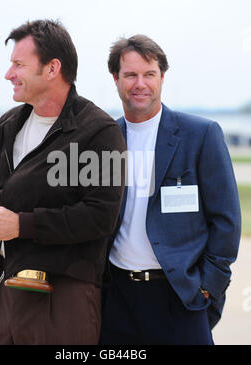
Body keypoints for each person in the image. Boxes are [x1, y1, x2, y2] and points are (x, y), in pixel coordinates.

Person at [0, 19, 126, 345]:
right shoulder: (9, 123)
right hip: (0, 290)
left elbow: (99, 217)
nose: (9, 74)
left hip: (63, 296)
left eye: (18, 65)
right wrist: (11, 202)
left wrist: (21, 224)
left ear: (52, 69)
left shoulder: (100, 132)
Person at [100, 34, 241, 345]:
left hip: (179, 296)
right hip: (117, 300)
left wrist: (208, 286)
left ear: (162, 77)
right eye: (131, 75)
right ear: (116, 78)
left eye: (149, 74)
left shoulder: (200, 135)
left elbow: (226, 220)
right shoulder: (104, 140)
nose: (140, 83)